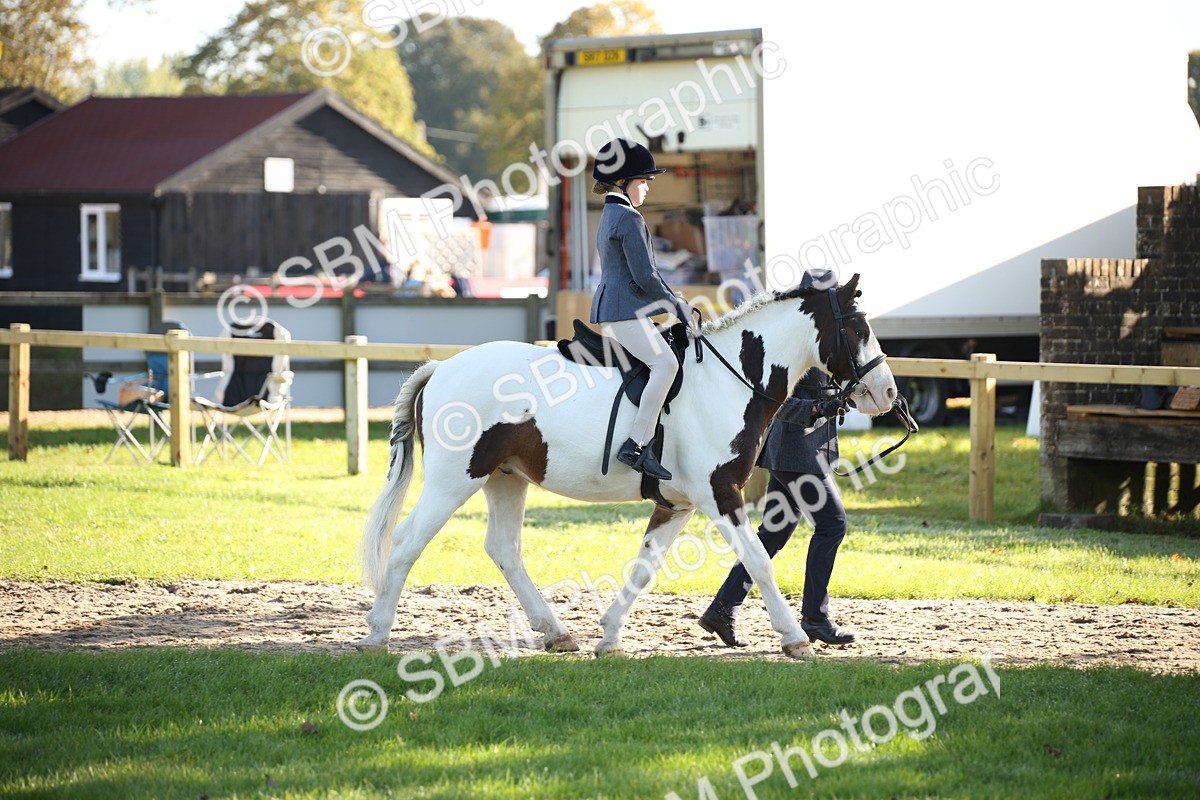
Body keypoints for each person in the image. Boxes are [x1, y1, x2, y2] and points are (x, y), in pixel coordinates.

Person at [698, 366, 857, 647]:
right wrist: (815, 409)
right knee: (832, 524)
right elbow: (773, 398)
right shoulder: (800, 346)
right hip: (796, 453)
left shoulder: (832, 348)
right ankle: (815, 618)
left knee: (773, 534)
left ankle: (721, 610)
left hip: (798, 452)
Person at [590, 137, 696, 481]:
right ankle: (637, 444)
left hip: (617, 307)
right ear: (622, 181)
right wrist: (676, 305)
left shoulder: (611, 214)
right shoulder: (629, 218)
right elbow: (646, 276)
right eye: (644, 181)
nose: (648, 188)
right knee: (666, 364)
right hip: (623, 312)